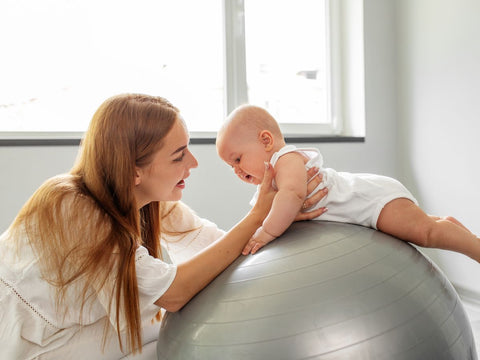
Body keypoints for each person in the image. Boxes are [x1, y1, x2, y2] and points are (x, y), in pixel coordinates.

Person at [0, 94, 327, 359]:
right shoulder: (74, 206)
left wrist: (276, 218)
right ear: (135, 172)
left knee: (179, 325)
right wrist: (258, 215)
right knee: (173, 328)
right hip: (28, 345)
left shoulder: (148, 200)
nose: (193, 164)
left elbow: (213, 246)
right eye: (178, 156)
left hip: (71, 329)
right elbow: (174, 292)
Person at [216, 104, 480, 262]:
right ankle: (447, 225)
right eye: (231, 167)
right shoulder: (267, 190)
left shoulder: (286, 160)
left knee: (425, 233)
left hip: (369, 200)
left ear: (266, 141)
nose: (237, 170)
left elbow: (293, 196)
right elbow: (258, 216)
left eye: (238, 159)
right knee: (427, 224)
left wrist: (267, 233)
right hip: (361, 206)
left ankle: (474, 247)